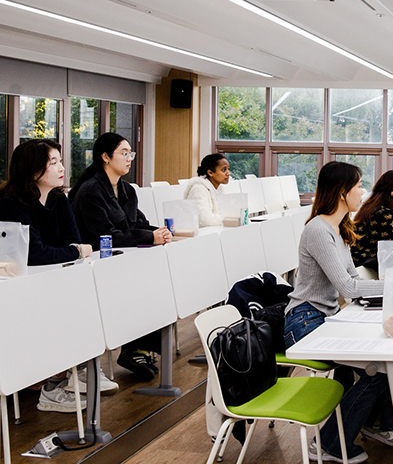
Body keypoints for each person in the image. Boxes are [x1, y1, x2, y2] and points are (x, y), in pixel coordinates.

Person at [284, 161, 393, 463]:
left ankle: (378, 425)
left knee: (384, 363)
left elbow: (352, 280)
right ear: (342, 192)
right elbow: (349, 287)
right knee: (376, 372)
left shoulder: (338, 229)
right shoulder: (318, 231)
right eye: (359, 186)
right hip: (304, 320)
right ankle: (329, 443)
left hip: (325, 317)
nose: (363, 192)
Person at [0, 140, 118, 411]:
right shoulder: (10, 203)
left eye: (60, 161)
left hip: (50, 280)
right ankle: (52, 386)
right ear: (33, 170)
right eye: (53, 162)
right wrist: (73, 251)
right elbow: (35, 254)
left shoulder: (58, 198)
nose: (62, 168)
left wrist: (72, 250)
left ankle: (79, 371)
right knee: (63, 313)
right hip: (18, 288)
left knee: (90, 302)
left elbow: (73, 242)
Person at [70, 133, 172, 380]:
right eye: (123, 153)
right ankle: (133, 348)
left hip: (122, 261)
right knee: (145, 286)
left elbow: (138, 224)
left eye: (130, 153)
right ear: (105, 157)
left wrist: (160, 232)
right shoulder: (91, 191)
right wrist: (150, 237)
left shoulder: (127, 190)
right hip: (95, 268)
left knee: (159, 282)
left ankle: (137, 348)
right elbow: (104, 236)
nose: (129, 159)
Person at [184, 153, 230, 227]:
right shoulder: (198, 190)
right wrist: (230, 219)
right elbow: (204, 220)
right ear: (210, 173)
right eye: (224, 170)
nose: (228, 173)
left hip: (214, 231)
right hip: (201, 232)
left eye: (228, 169)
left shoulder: (219, 189)